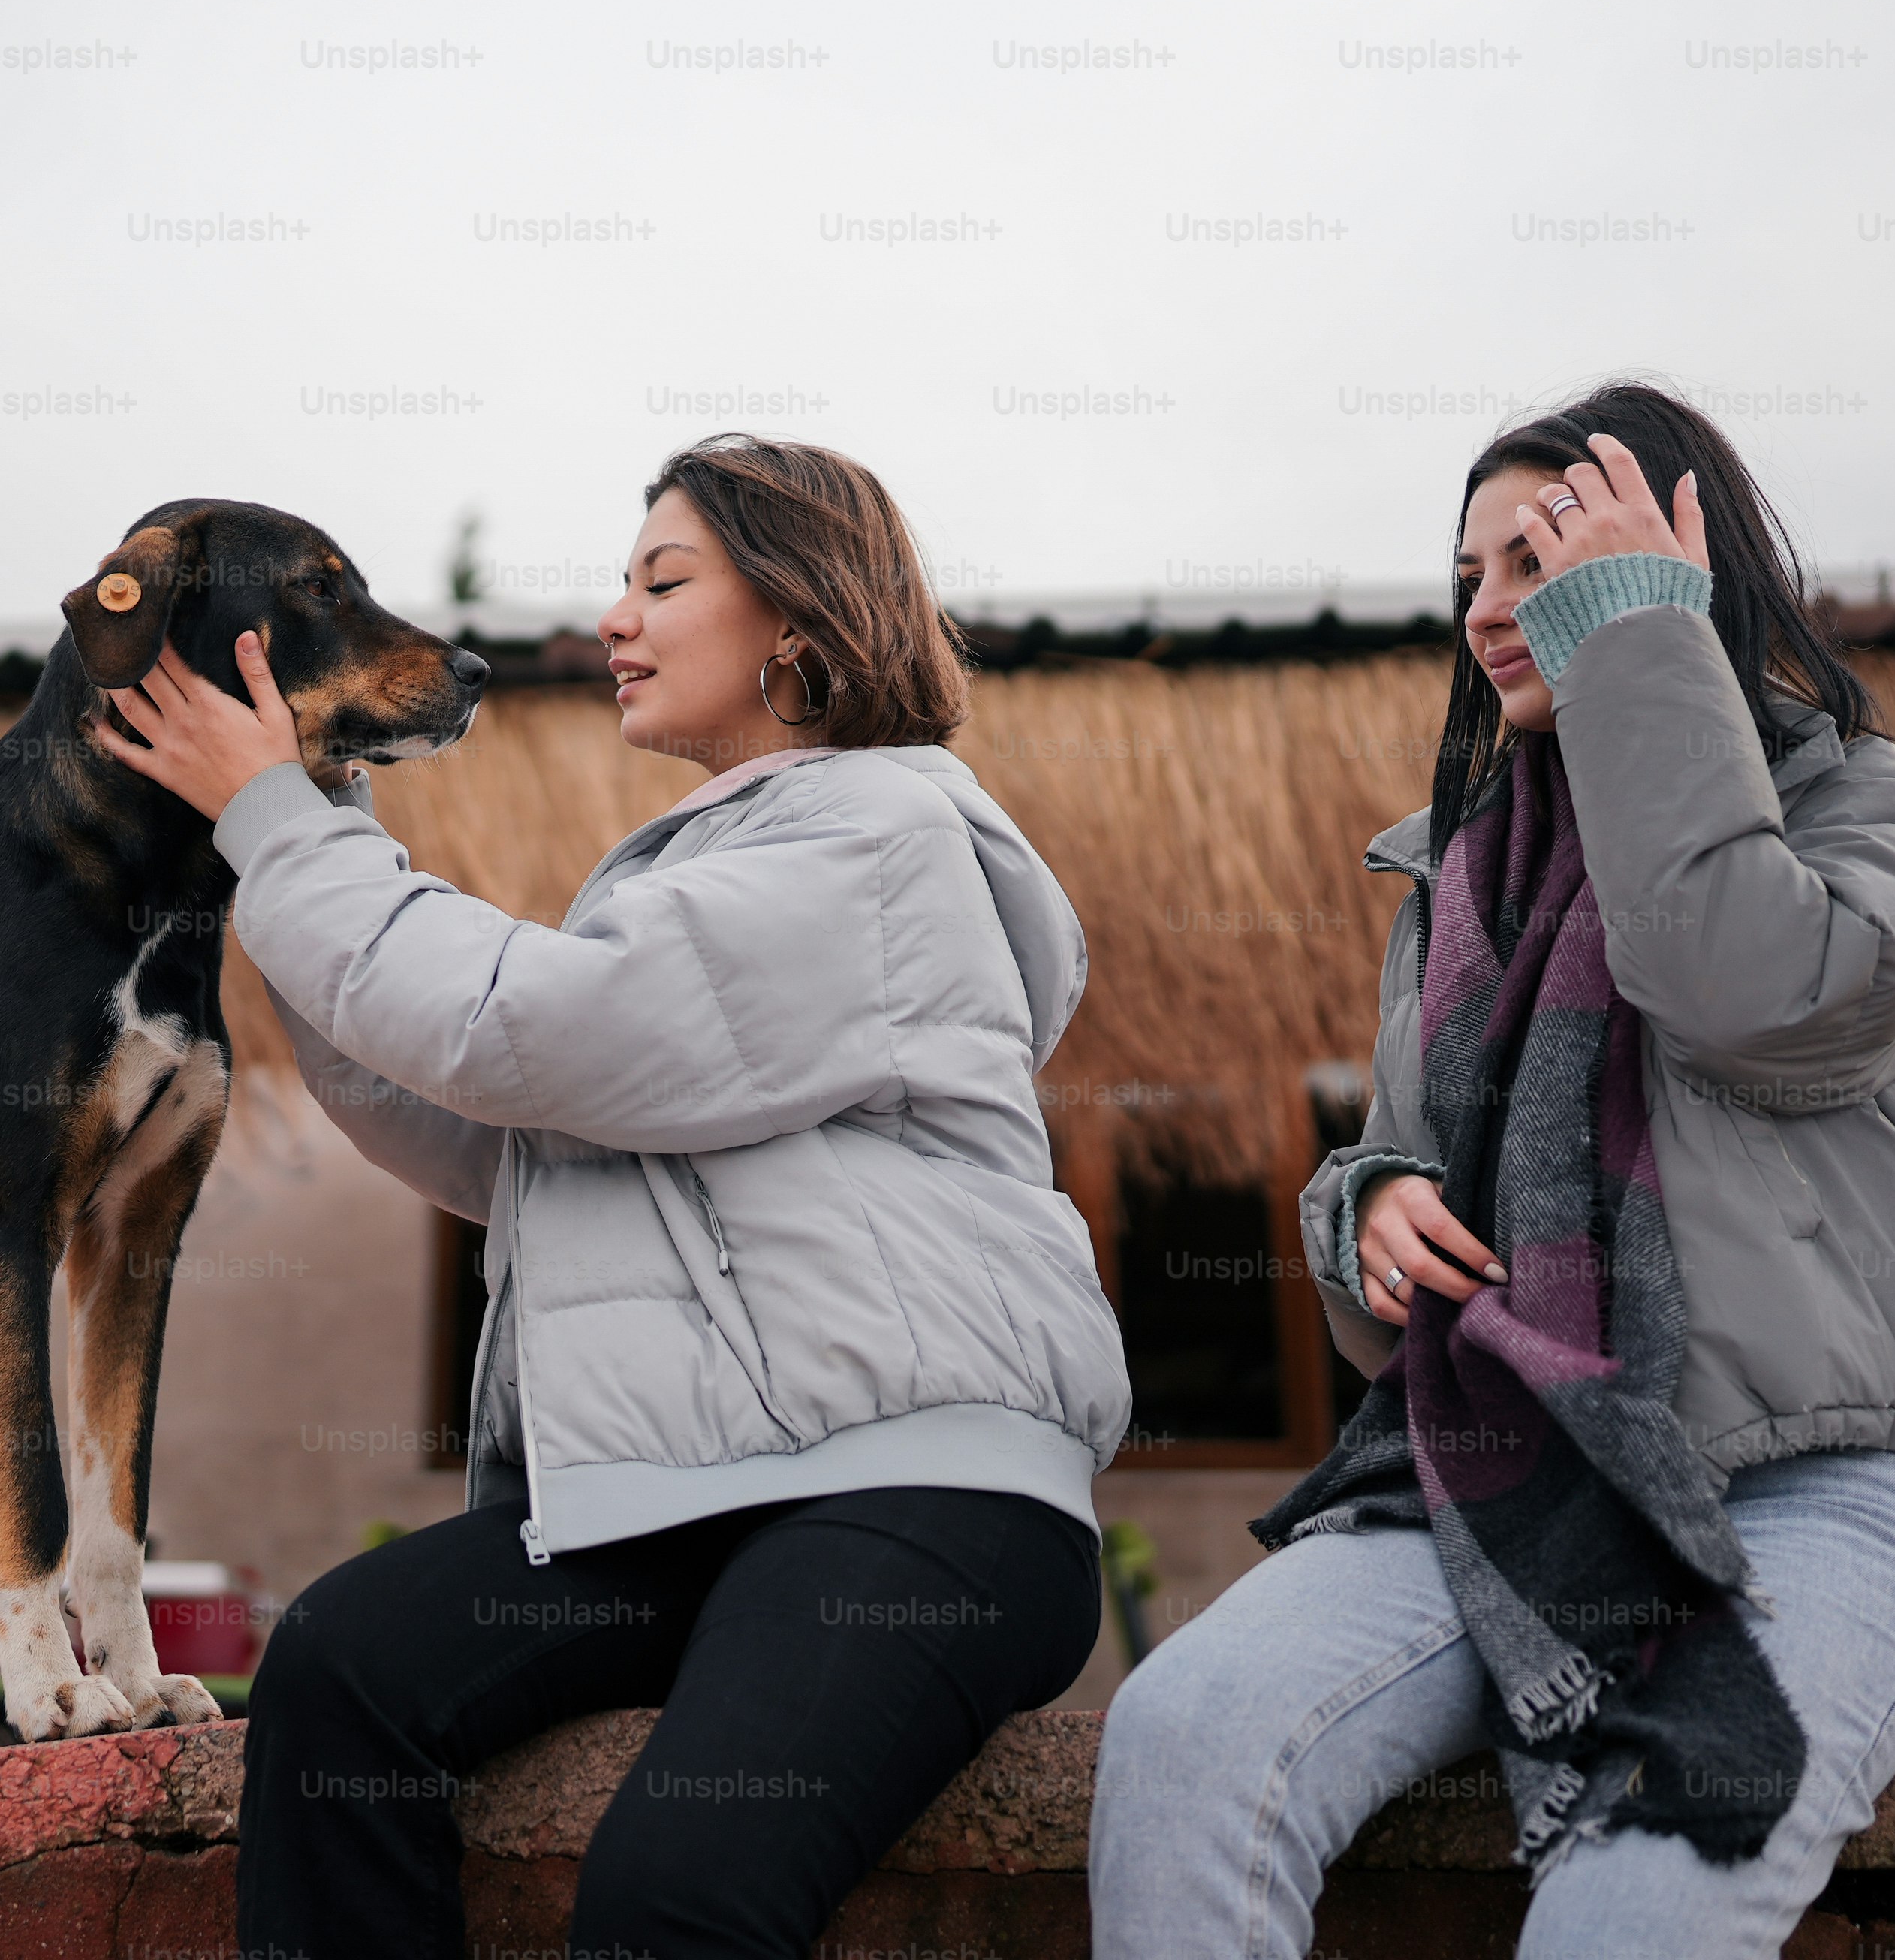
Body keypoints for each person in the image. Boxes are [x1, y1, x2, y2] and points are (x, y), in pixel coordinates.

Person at [95, 435, 1129, 1959]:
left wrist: (282, 827)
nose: (615, 619)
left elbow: (520, 1031)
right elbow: (493, 1123)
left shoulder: (876, 833)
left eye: (665, 580)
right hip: (694, 1497)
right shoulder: (688, 875)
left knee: (679, 1893)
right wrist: (311, 801)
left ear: (800, 614)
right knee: (340, 1671)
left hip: (921, 1498)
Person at [1090, 383, 1895, 1960]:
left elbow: (1743, 989)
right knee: (1184, 1736)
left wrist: (1637, 648)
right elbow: (1394, 1205)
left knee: (1630, 1912)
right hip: (1499, 1479)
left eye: (1543, 562)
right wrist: (1369, 1212)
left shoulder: (1865, 805)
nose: (1489, 611)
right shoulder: (1460, 879)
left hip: (1816, 1489)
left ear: (1678, 567)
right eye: (1472, 576)